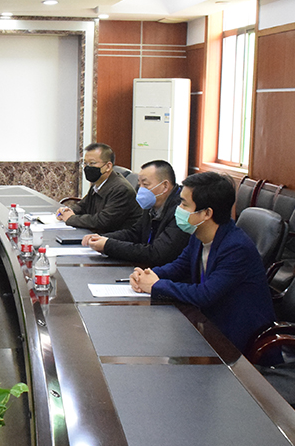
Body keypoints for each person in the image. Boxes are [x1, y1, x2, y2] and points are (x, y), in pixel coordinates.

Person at [129, 172, 274, 353]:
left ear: (207, 213)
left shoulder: (236, 248)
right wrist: (148, 275)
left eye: (184, 204)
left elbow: (205, 294)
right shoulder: (199, 234)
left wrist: (156, 285)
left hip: (238, 340)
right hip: (207, 324)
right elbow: (180, 266)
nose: (178, 209)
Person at [82, 160, 189, 267]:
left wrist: (108, 245)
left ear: (165, 186)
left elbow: (156, 253)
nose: (141, 190)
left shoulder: (180, 212)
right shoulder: (152, 204)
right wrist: (102, 238)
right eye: (139, 184)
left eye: (146, 185)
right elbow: (135, 233)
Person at [56, 143, 142, 233]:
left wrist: (71, 218)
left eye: (92, 163)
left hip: (116, 238)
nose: (87, 167)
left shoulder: (121, 189)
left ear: (108, 166)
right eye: (85, 163)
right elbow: (83, 206)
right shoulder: (98, 183)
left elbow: (103, 221)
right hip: (99, 235)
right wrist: (66, 211)